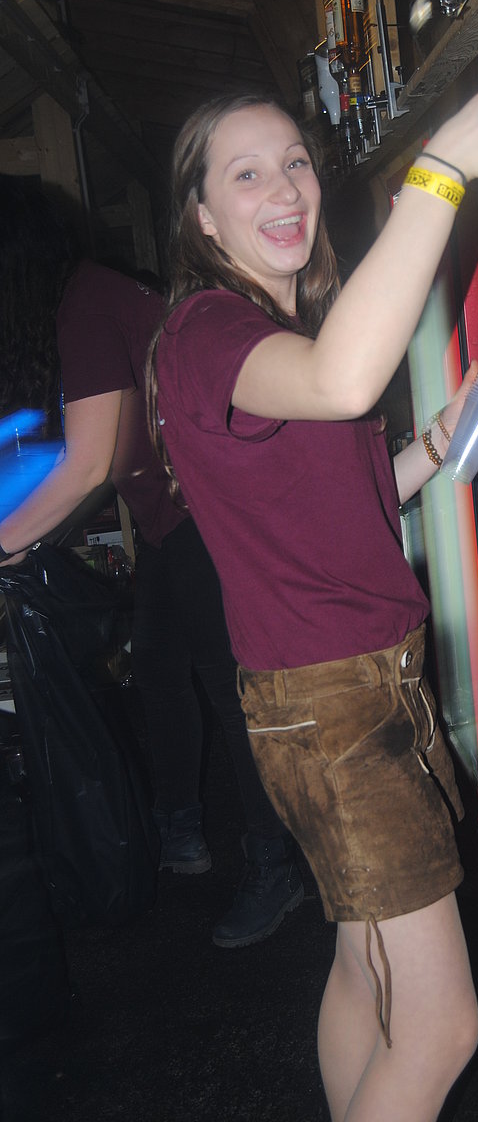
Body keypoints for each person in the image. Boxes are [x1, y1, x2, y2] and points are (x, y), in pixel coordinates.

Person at [147, 48, 478, 1122]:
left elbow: (352, 494)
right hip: (333, 710)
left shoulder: (267, 339)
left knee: (362, 965)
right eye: (245, 174)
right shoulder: (206, 332)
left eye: (293, 161)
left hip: (356, 688)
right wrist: (443, 166)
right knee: (440, 1028)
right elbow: (344, 380)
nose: (283, 188)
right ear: (201, 217)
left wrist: (438, 443)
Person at [0, 176, 303, 948]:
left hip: (212, 511)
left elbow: (88, 463)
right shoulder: (91, 297)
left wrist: (5, 542)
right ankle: (178, 829)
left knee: (231, 695)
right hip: (179, 516)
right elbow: (101, 449)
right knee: (162, 670)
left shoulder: (86, 304)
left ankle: (276, 865)